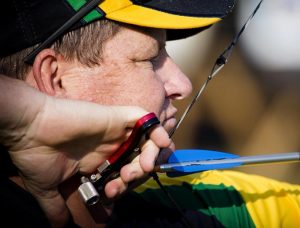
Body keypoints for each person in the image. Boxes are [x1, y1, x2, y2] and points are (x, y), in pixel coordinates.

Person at [1, 0, 300, 227]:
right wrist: (30, 116)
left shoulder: (206, 201)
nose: (183, 84)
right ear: (55, 78)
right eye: (149, 59)